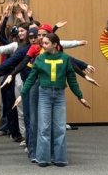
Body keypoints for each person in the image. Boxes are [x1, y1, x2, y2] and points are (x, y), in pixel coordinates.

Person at [17, 33, 90, 167]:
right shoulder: (39, 59)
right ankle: (43, 158)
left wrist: (80, 96)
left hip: (59, 95)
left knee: (60, 128)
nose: (43, 46)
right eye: (42, 43)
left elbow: (72, 80)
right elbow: (31, 78)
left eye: (46, 43)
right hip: (44, 95)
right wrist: (22, 94)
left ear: (55, 44)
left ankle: (60, 158)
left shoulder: (65, 58)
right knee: (44, 127)